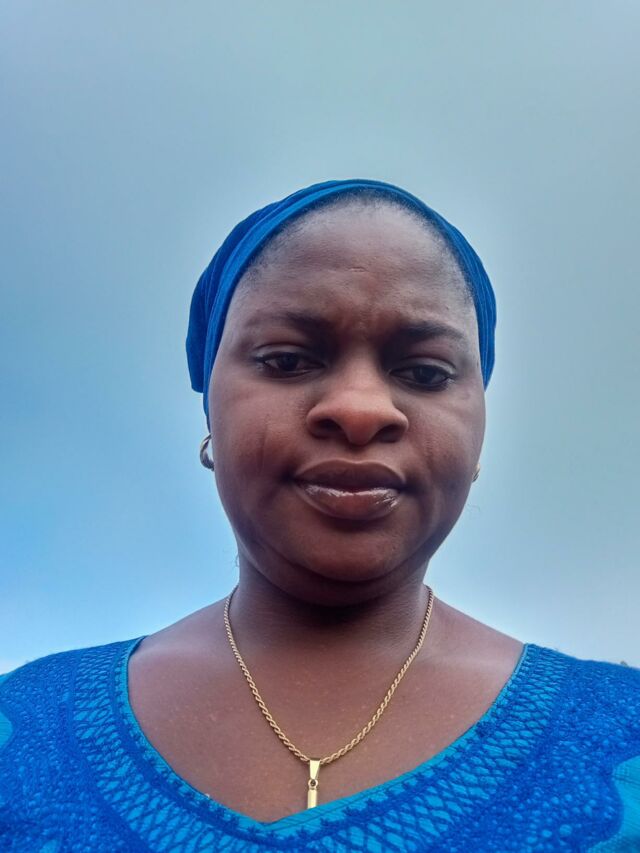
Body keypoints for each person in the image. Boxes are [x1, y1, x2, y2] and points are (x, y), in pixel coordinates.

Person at [1, 179, 638, 852]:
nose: (361, 409)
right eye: (288, 360)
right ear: (210, 408)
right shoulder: (23, 731)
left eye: (425, 372)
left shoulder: (623, 738)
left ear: (479, 425)